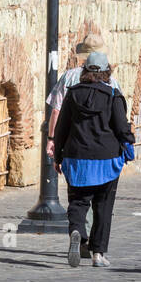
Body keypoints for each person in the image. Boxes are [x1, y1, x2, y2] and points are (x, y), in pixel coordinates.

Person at [54, 50, 134, 268]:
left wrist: (58, 154)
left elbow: (62, 127)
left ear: (85, 71)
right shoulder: (112, 95)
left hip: (76, 157)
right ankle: (98, 254)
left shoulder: (72, 94)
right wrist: (129, 143)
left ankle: (77, 231)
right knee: (103, 207)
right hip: (107, 159)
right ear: (107, 72)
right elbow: (121, 126)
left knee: (78, 202)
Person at [46, 35, 120, 157]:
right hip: (105, 148)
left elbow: (56, 111)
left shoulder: (68, 77)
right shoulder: (111, 82)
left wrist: (51, 139)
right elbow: (119, 116)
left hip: (74, 145)